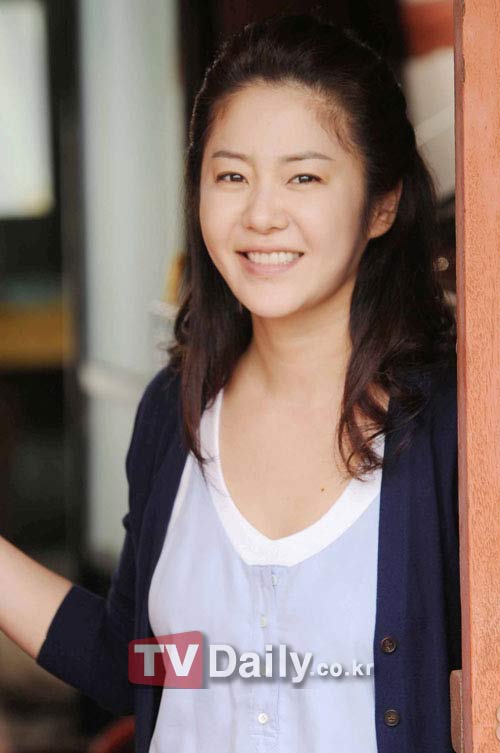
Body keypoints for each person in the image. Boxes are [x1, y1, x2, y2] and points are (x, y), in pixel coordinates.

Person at [0, 11, 461, 753]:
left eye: (303, 176)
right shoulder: (175, 409)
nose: (261, 214)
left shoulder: (449, 426)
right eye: (232, 176)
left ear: (381, 204)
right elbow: (140, 666)